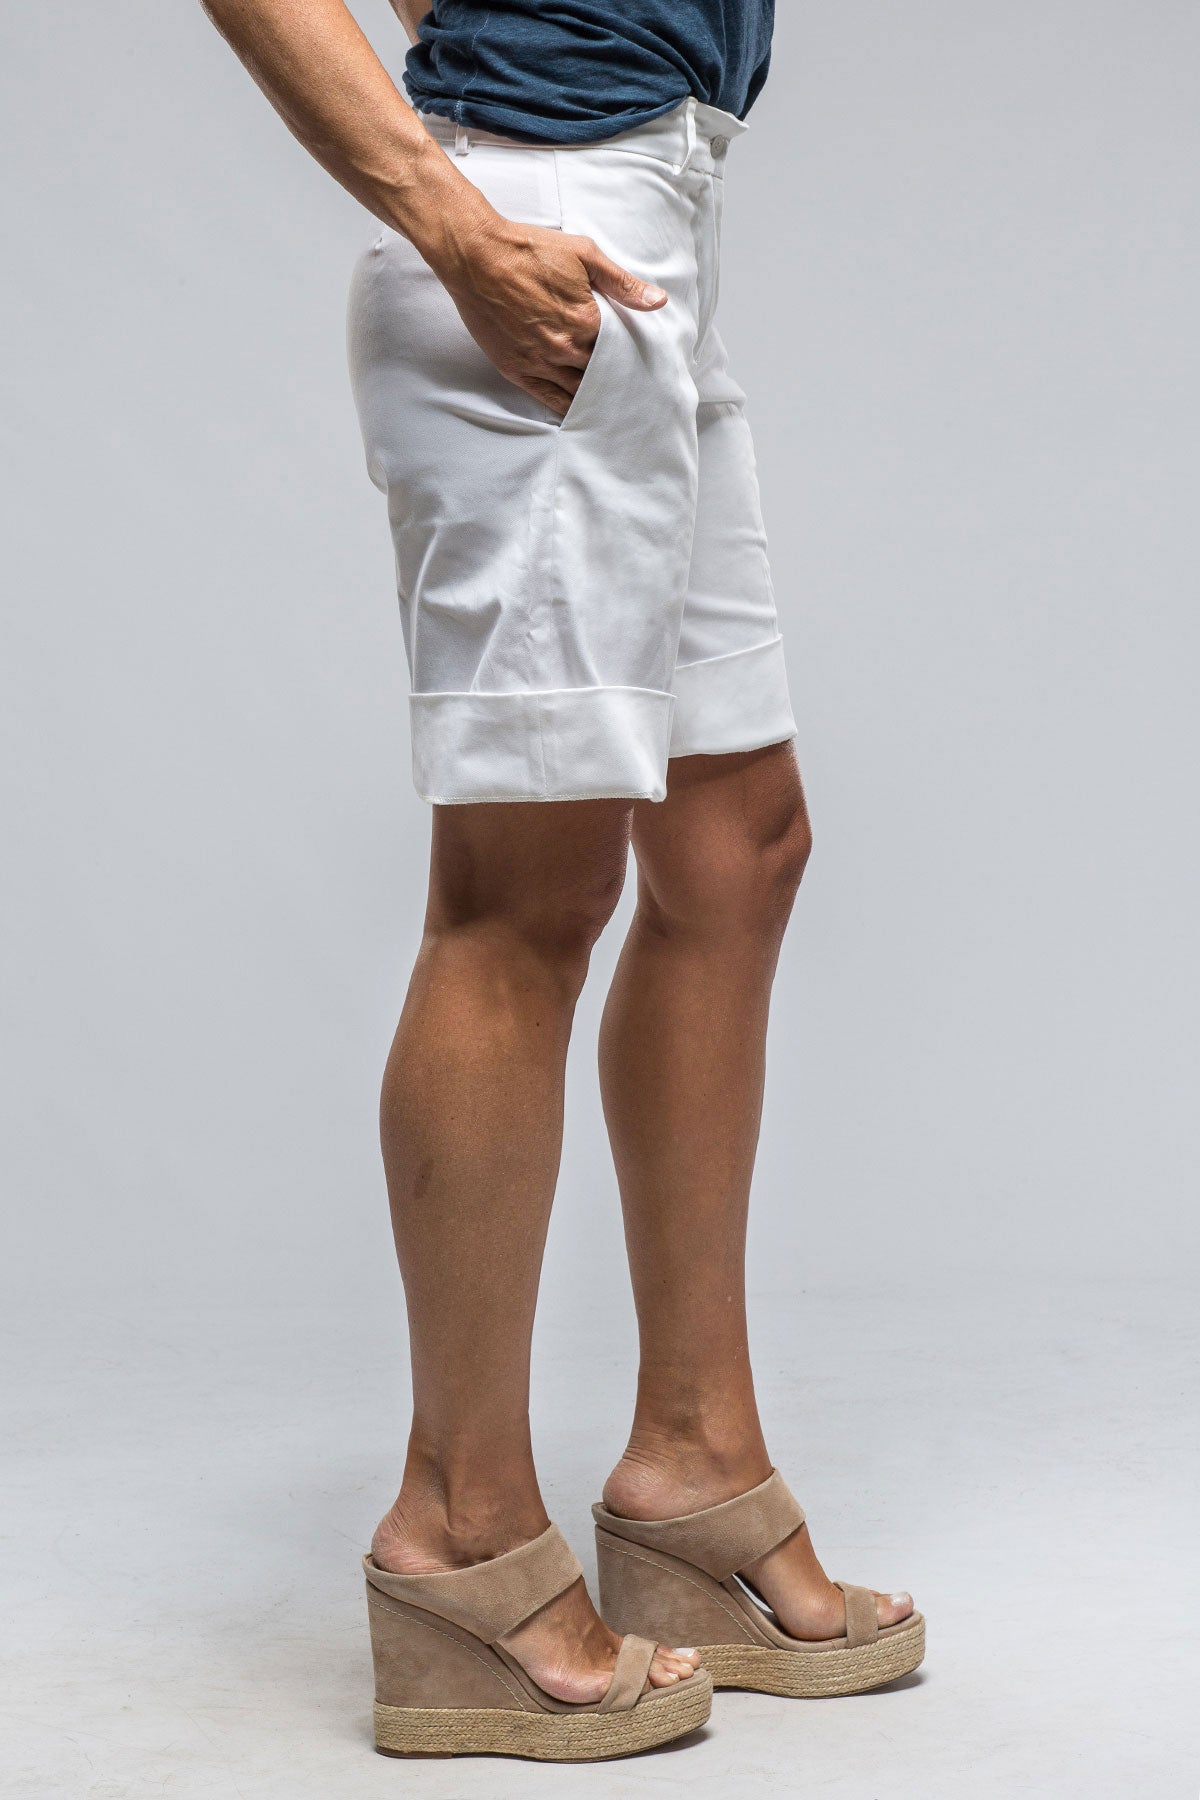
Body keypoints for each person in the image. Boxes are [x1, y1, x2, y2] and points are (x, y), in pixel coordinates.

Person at [201, 0, 923, 1761]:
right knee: (522, 902)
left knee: (738, 851)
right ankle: (457, 1533)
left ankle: (694, 1467)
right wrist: (456, 223)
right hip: (535, 249)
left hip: (654, 232)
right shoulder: (499, 236)